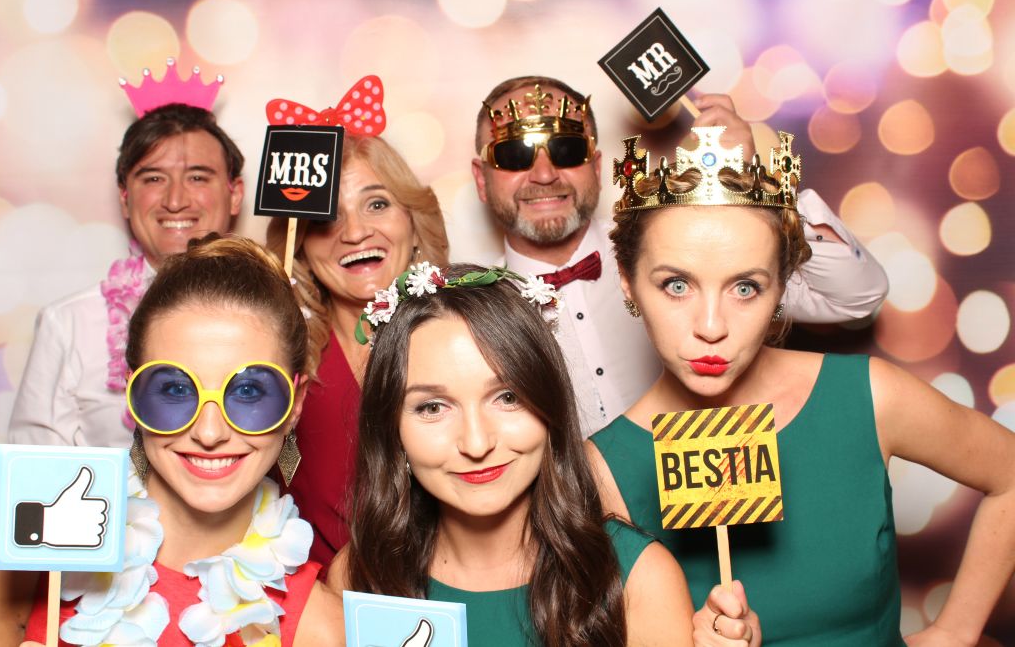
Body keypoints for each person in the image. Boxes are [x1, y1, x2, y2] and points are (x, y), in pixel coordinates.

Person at [586, 129, 1015, 645]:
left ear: (783, 286)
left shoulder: (867, 397)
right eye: (676, 285)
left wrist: (955, 631)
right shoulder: (602, 471)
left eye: (745, 287)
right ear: (628, 281)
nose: (711, 326)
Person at [326, 262, 731, 647]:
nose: (477, 444)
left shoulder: (638, 578)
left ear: (550, 405)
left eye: (507, 397)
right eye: (432, 407)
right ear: (391, 428)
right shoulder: (359, 578)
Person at [471, 76, 889, 437]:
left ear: (596, 167)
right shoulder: (472, 314)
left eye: (566, 150)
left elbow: (856, 296)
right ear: (481, 179)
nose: (544, 175)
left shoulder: (684, 250)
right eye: (514, 155)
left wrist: (753, 188)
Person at [17, 235, 332, 646]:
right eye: (176, 390)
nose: (209, 433)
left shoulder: (322, 628)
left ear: (295, 404)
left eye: (249, 391)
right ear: (133, 394)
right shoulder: (31, 559)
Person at [9, 100, 245, 449]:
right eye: (153, 178)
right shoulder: (68, 324)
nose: (175, 200)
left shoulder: (280, 313)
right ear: (125, 198)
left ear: (235, 194)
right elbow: (35, 468)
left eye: (197, 177)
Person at [266, 134, 448, 566]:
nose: (355, 232)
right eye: (327, 217)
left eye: (377, 204)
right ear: (301, 247)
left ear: (414, 223)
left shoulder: (467, 342)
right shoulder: (278, 365)